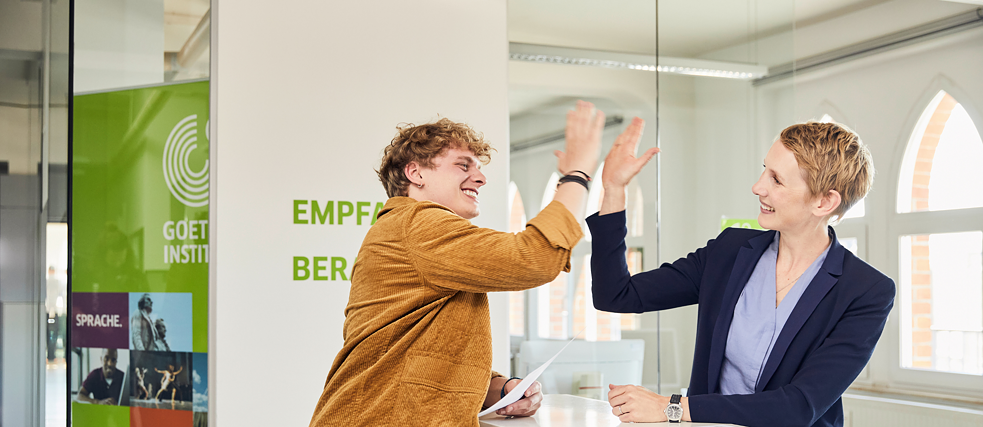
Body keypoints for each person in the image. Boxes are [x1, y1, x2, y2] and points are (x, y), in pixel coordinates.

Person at [309, 101, 617, 426]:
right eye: (463, 165)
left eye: (477, 167)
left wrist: (497, 388)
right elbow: (534, 257)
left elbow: (414, 354)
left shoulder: (411, 233)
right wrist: (578, 174)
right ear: (416, 173)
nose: (480, 178)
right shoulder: (416, 224)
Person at [588, 120, 895, 427]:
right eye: (765, 169)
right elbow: (616, 294)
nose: (758, 187)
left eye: (776, 180)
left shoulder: (865, 291)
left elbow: (798, 406)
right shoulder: (730, 252)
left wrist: (672, 408)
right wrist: (614, 190)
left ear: (824, 201)